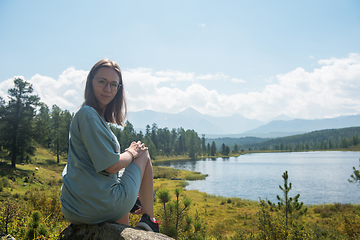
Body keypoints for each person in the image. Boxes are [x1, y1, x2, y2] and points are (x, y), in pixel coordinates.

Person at [60, 59, 160, 232]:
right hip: (98, 206)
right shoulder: (88, 115)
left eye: (114, 85)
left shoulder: (89, 115)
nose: (108, 89)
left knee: (120, 187)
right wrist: (132, 152)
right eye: (102, 82)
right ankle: (149, 219)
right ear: (90, 82)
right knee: (142, 153)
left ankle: (127, 215)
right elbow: (112, 166)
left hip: (74, 208)